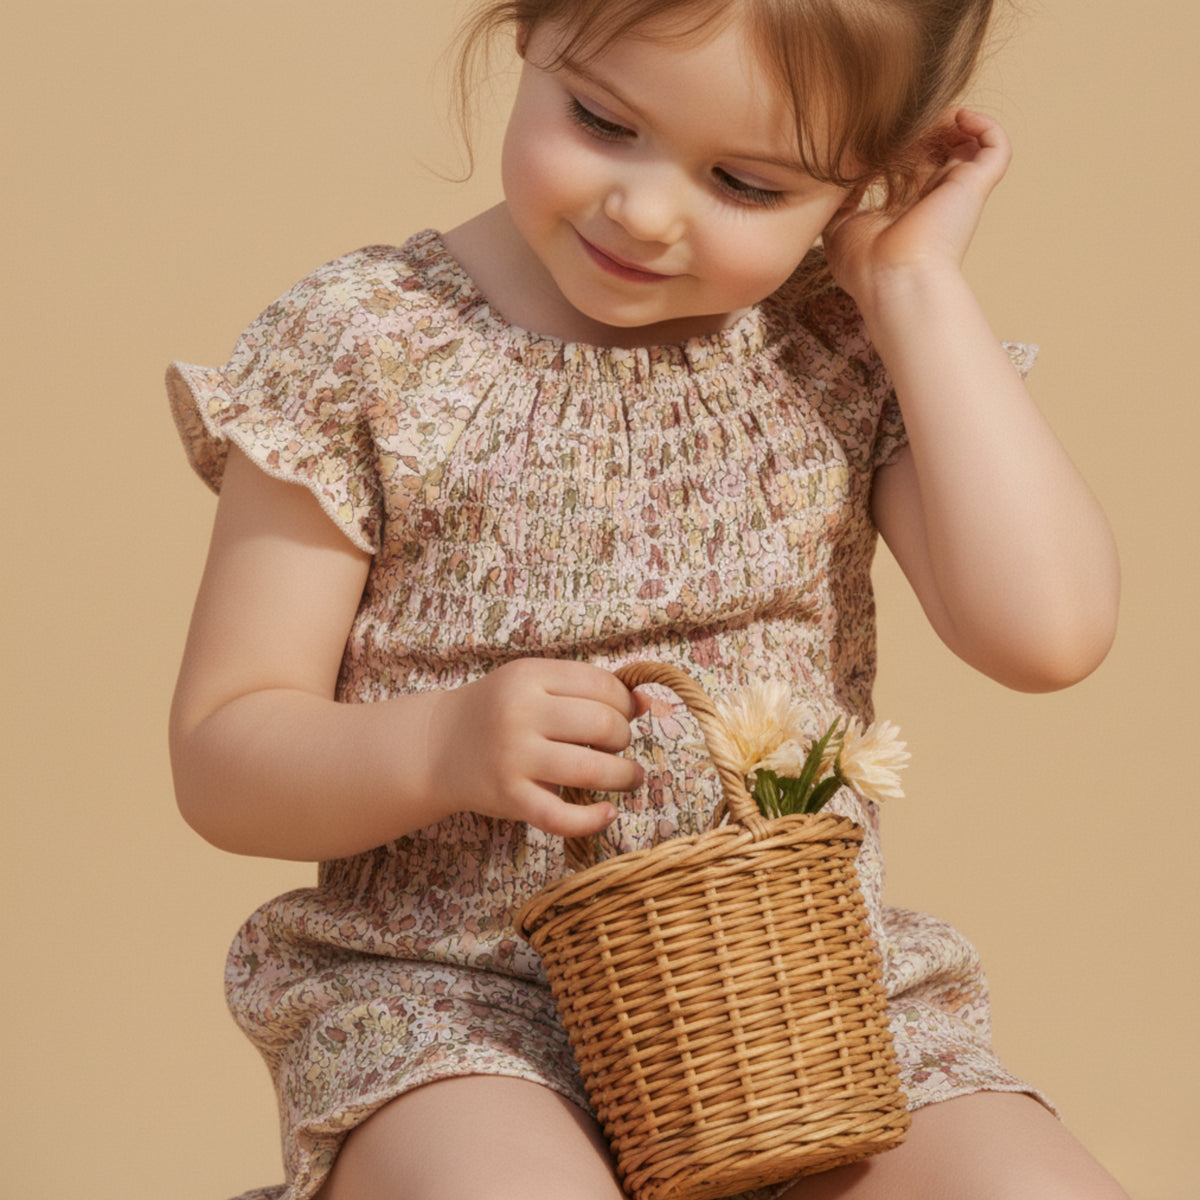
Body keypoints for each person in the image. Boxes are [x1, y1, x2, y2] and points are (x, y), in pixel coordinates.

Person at [165, 1, 1128, 1197]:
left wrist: (914, 286)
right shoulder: (373, 346)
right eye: (602, 119)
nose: (644, 209)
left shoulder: (831, 342)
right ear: (531, 30)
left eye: (748, 183)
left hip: (798, 1005)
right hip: (452, 1010)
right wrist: (442, 743)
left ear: (864, 182)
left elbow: (1047, 631)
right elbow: (224, 753)